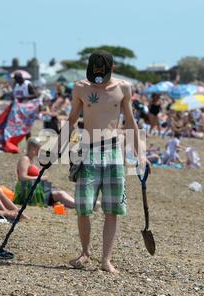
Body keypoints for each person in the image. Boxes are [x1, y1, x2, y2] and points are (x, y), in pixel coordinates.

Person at [53, 51, 148, 273]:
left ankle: (106, 260)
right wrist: (57, 148)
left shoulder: (124, 88)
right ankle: (85, 252)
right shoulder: (80, 88)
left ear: (111, 69)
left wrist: (140, 155)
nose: (97, 79)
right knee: (83, 207)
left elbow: (131, 122)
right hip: (88, 151)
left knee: (112, 209)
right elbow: (72, 120)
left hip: (114, 153)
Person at [15, 137, 74, 208]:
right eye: (39, 148)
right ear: (33, 148)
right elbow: (22, 177)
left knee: (60, 193)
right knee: (60, 194)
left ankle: (81, 205)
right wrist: (39, 178)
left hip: (34, 190)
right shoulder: (25, 159)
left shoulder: (30, 160)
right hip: (27, 193)